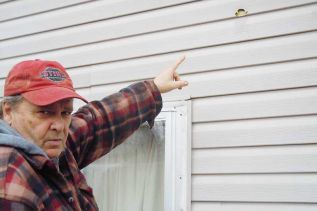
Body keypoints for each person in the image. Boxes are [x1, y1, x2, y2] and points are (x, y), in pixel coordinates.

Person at [0, 57, 188, 210]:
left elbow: (100, 121)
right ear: (8, 111)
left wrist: (153, 88)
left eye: (65, 112)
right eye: (44, 112)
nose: (59, 125)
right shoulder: (10, 184)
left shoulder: (52, 147)